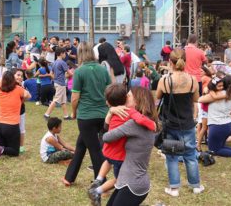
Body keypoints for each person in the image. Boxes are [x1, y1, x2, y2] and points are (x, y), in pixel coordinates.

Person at [88, 85, 156, 205]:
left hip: (132, 183)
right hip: (129, 179)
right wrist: (111, 111)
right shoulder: (140, 120)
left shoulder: (133, 124)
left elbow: (104, 138)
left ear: (137, 101)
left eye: (128, 95)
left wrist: (110, 113)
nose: (124, 97)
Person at [156, 48, 204, 197]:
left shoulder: (165, 80)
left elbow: (158, 97)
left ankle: (174, 188)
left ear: (170, 61)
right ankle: (195, 185)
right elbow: (195, 100)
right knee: (190, 155)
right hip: (187, 123)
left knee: (171, 156)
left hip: (170, 123)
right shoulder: (192, 80)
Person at [62, 42, 111, 186]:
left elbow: (75, 97)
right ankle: (69, 177)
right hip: (103, 115)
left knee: (95, 150)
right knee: (81, 145)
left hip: (86, 116)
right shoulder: (103, 70)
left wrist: (74, 112)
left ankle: (101, 183)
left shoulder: (80, 71)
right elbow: (109, 91)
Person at [199, 76, 231, 158]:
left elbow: (200, 99)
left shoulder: (218, 94)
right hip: (228, 124)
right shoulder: (230, 93)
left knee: (214, 150)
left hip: (218, 126)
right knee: (220, 146)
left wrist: (210, 90)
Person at [44, 47, 71, 120]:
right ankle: (46, 114)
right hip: (60, 84)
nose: (65, 54)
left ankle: (66, 116)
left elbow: (51, 73)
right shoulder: (62, 62)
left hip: (57, 83)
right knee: (56, 100)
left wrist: (55, 79)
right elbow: (69, 73)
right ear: (61, 53)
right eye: (65, 53)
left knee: (63, 101)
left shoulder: (54, 62)